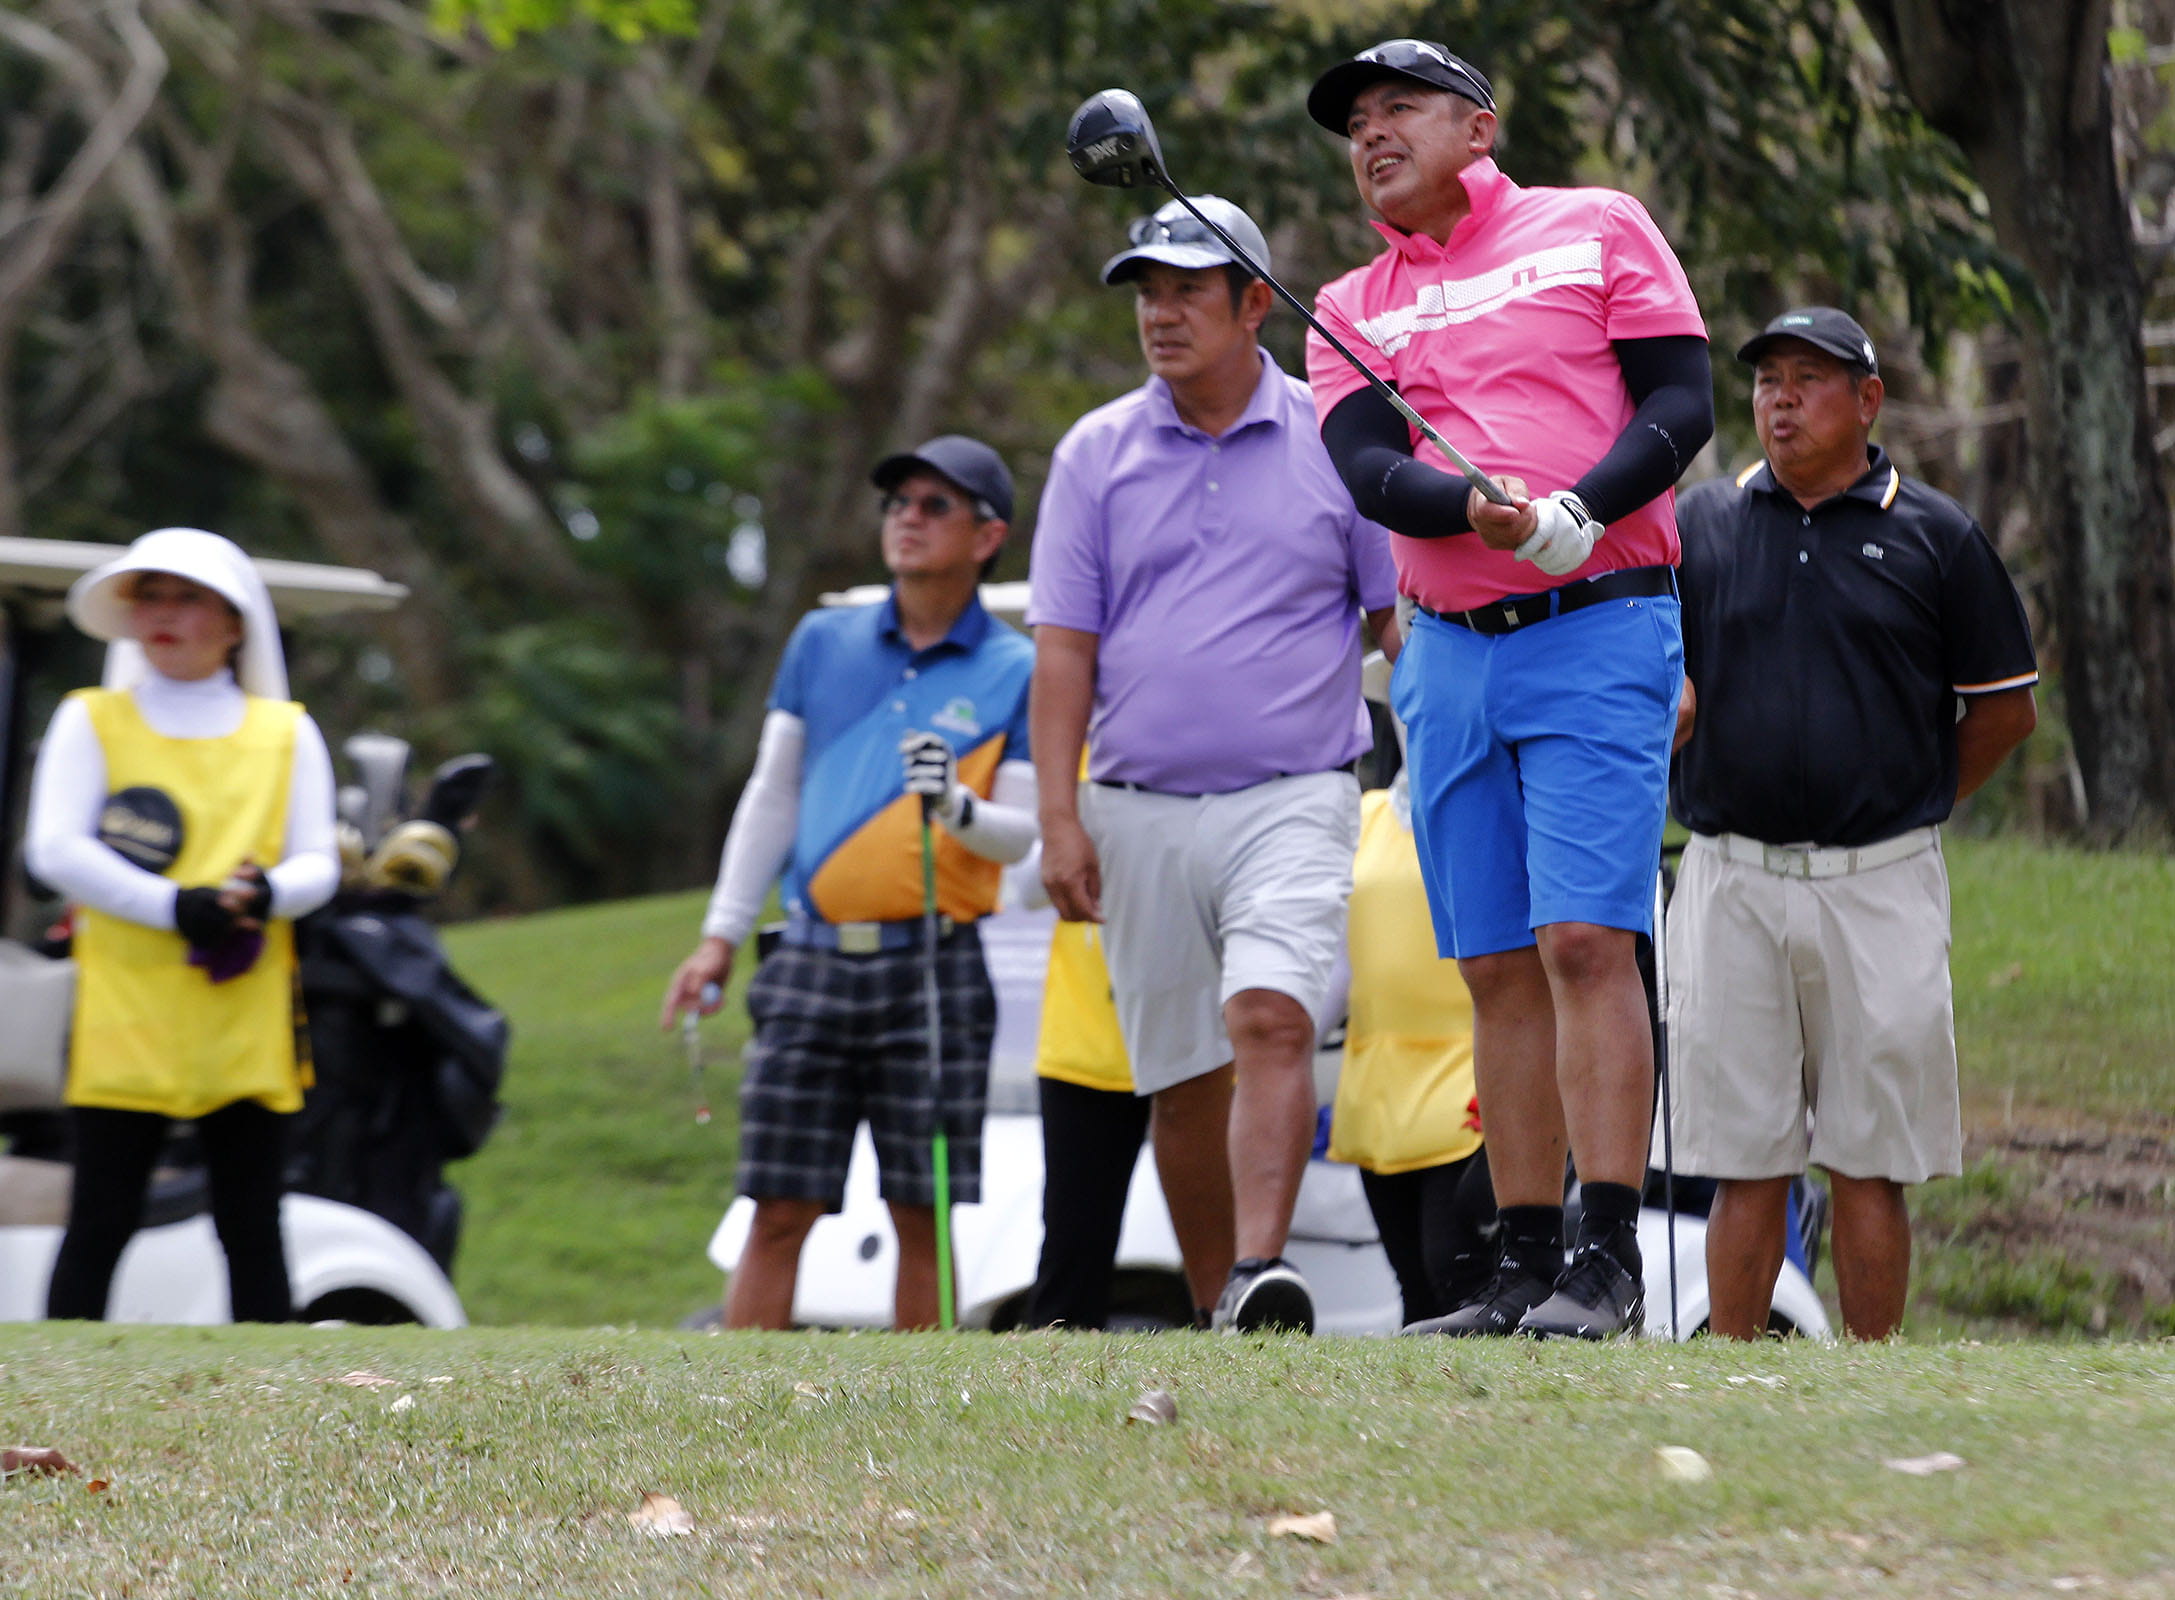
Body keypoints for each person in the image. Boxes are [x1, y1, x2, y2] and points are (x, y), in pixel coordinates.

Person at [1303, 39, 1714, 1338]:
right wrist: (1479, 514)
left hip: (1596, 627)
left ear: (1476, 128)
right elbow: (1366, 468)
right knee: (1490, 966)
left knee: (1583, 941)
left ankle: (1607, 1260)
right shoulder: (1343, 305)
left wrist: (1576, 511)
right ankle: (1520, 1263)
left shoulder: (1593, 227)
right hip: (1442, 654)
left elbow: (1681, 402)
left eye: (1399, 110)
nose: (1371, 134)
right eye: (1355, 122)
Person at [1029, 194, 1399, 1334]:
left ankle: (1257, 1267)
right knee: (1181, 1078)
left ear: (1255, 304)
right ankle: (1222, 1307)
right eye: (1147, 292)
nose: (1160, 313)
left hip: (1294, 791)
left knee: (1271, 1018)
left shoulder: (1339, 438)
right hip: (1134, 805)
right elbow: (1063, 650)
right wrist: (1058, 818)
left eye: (1188, 289)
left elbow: (1399, 621)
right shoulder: (1094, 452)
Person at [1667, 307, 2037, 1341]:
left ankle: (1874, 1385)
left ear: (1867, 401)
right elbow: (1662, 681)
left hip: (1882, 881)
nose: (1779, 399)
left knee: (1872, 1160)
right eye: (1767, 379)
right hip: (1731, 876)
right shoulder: (1702, 525)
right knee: (1744, 1159)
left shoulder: (1936, 535)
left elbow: (2005, 708)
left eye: (1808, 379)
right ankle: (1736, 1381)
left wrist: (1909, 794)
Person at [660, 436, 1038, 1331]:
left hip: (937, 963)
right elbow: (773, 792)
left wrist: (954, 806)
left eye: (933, 505)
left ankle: (925, 1408)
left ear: (988, 537)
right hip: (812, 957)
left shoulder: (1016, 668)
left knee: (923, 1207)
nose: (906, 519)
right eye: (896, 503)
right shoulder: (821, 640)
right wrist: (719, 932)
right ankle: (734, 1409)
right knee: (779, 1202)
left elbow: (1023, 841)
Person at [28, 527, 340, 1321]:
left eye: (188, 598)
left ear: (235, 624)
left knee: (250, 1222)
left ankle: (274, 1394)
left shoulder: (286, 731)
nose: (165, 615)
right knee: (101, 1216)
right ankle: (54, 1388)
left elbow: (318, 863)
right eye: (151, 597)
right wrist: (172, 907)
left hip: (243, 1010)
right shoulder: (89, 719)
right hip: (126, 1009)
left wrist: (264, 895)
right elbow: (54, 848)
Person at [1327, 763, 1497, 1326]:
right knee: (1414, 1285)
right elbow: (1339, 965)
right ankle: (1430, 1406)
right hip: (1377, 1086)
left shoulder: (1498, 801)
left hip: (1469, 1075)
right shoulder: (1362, 816)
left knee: (1455, 1268)